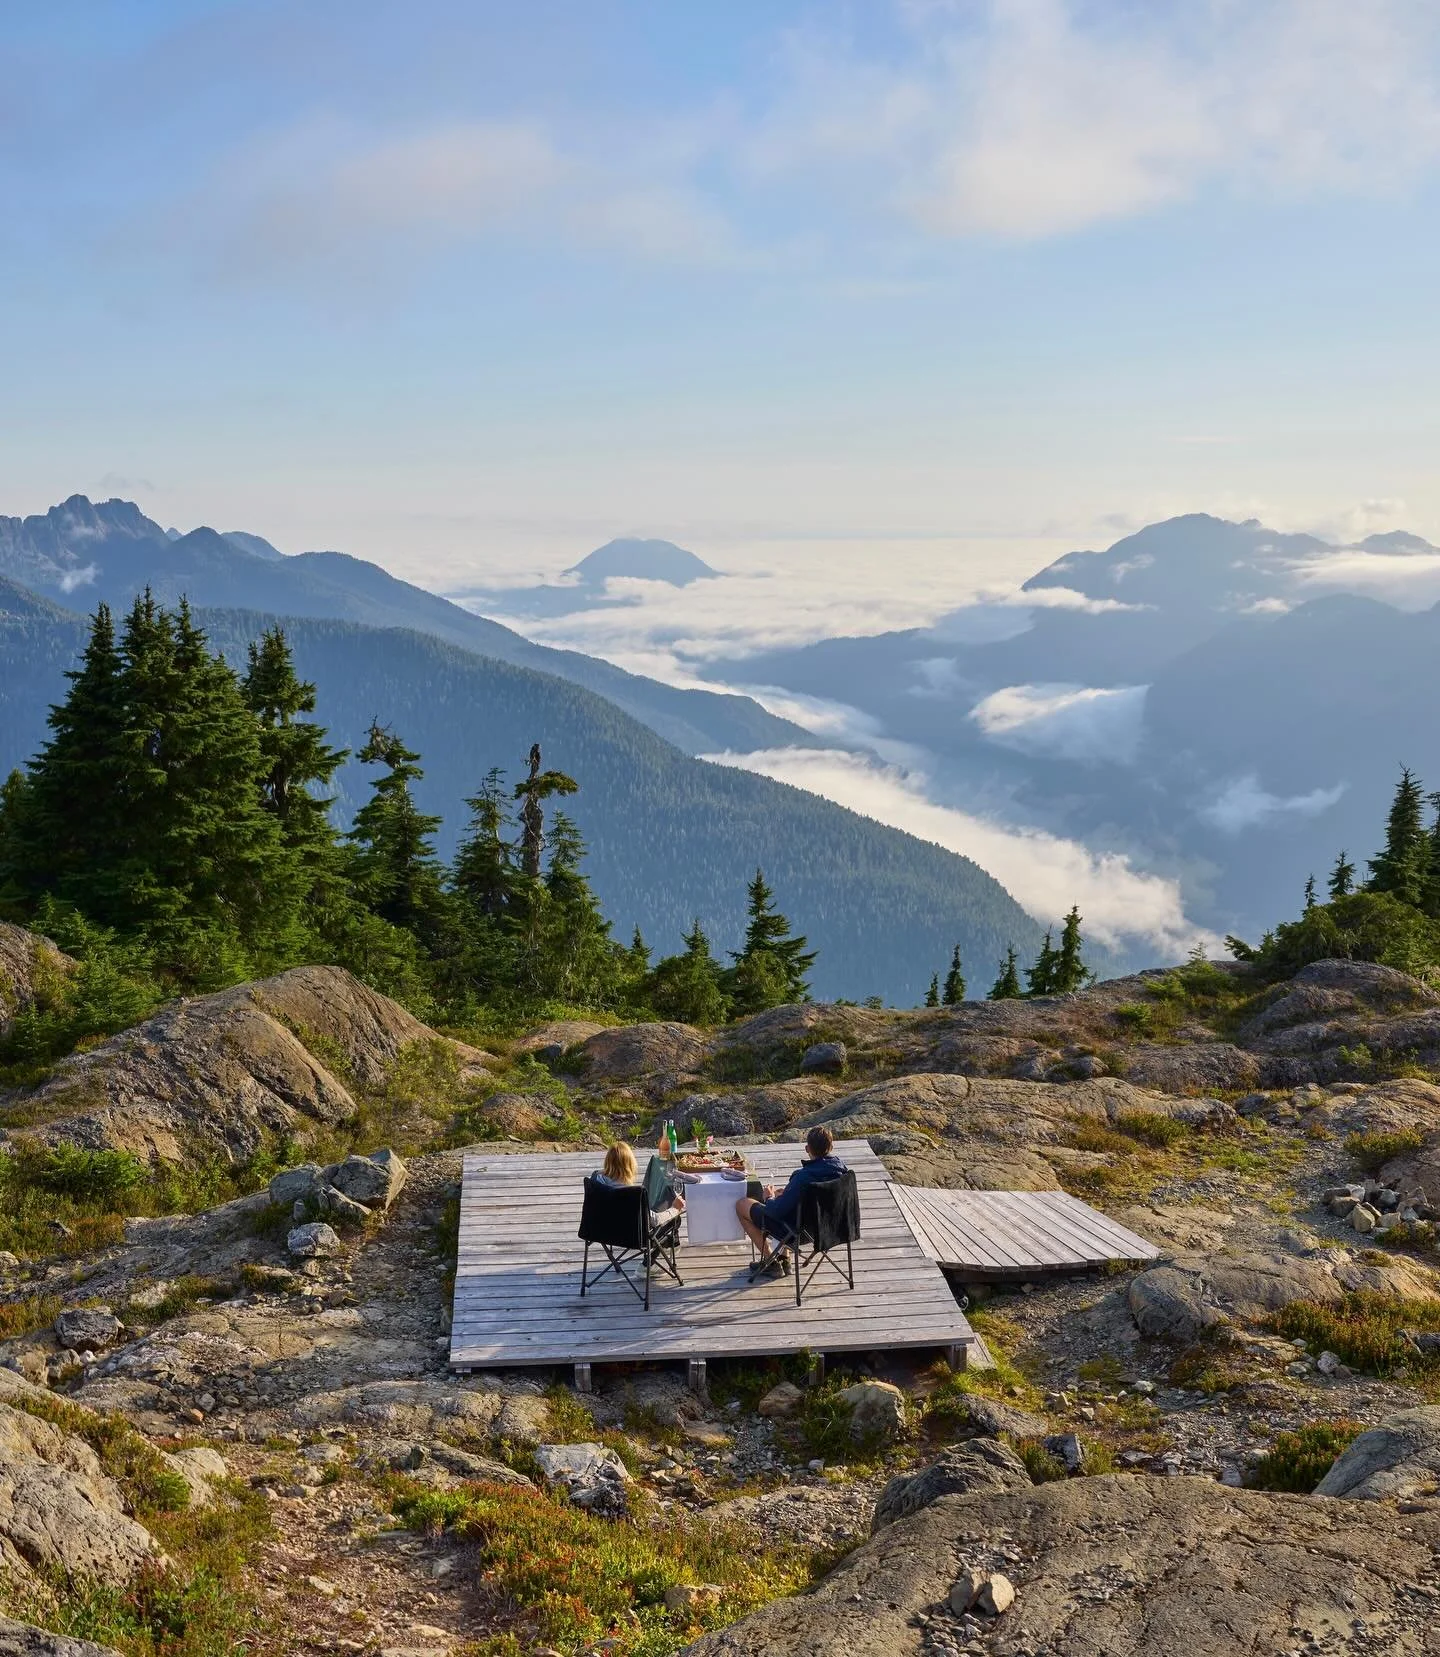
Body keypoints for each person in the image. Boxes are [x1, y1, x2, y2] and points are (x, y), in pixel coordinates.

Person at [735, 1124, 847, 1277]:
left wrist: (769, 1197)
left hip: (797, 1233)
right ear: (832, 1147)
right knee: (787, 1199)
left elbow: (776, 1211)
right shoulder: (843, 1172)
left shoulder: (803, 1177)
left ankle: (771, 1262)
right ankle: (785, 1260)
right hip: (829, 1229)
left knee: (742, 1205)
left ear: (808, 1149)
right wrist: (783, 1195)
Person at [596, 1142, 684, 1216]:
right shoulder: (632, 1195)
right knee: (672, 1217)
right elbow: (654, 1220)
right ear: (630, 1165)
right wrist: (674, 1209)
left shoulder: (597, 1181)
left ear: (607, 1161)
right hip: (629, 1234)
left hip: (601, 1230)